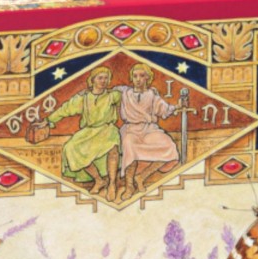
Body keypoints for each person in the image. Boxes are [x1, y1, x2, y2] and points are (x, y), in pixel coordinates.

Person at [46, 66, 123, 198]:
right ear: (92, 80)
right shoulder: (84, 97)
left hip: (107, 129)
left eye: (106, 78)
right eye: (100, 78)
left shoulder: (113, 95)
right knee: (71, 148)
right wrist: (48, 120)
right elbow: (66, 109)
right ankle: (98, 179)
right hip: (89, 130)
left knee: (113, 149)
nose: (103, 81)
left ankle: (112, 184)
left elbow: (130, 97)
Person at [119, 65, 188, 197]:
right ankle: (129, 186)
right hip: (131, 129)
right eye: (135, 76)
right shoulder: (125, 93)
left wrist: (178, 106)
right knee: (129, 145)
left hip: (149, 129)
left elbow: (164, 109)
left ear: (148, 78)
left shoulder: (152, 94)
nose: (138, 79)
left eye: (142, 76)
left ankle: (141, 177)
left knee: (169, 146)